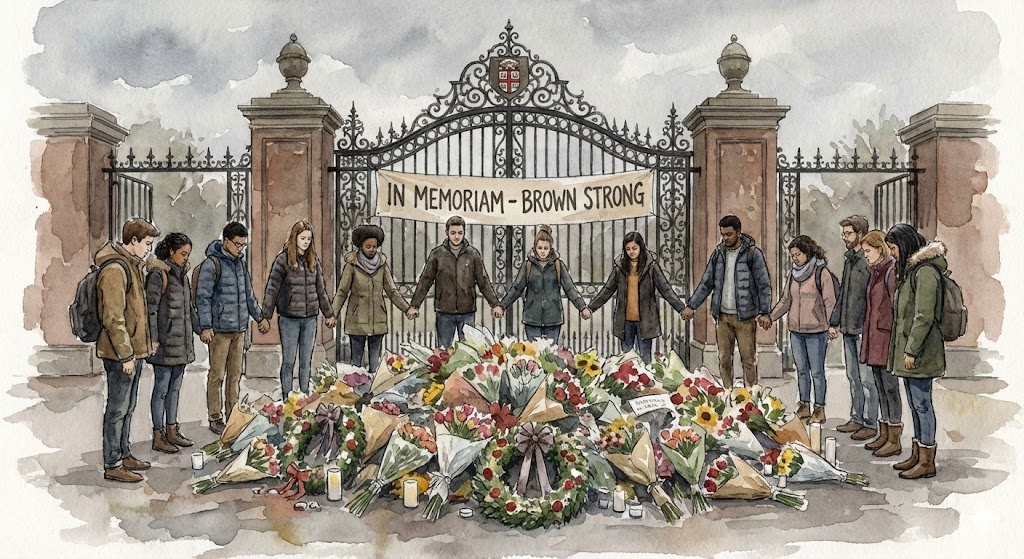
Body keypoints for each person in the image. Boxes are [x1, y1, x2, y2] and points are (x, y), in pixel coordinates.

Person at [95, 218, 160, 483]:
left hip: (132, 352)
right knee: (117, 408)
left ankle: (124, 453)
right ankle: (113, 463)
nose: (149, 249)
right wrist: (126, 355)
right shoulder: (115, 269)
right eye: (147, 243)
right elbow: (113, 318)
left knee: (128, 406)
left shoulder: (132, 266)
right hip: (119, 354)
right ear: (133, 241)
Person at [195, 221, 271, 435]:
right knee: (217, 375)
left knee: (235, 376)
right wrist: (206, 326)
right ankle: (215, 416)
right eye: (237, 244)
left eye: (243, 245)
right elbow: (203, 298)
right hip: (219, 331)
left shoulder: (240, 264)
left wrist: (260, 317)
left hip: (239, 329)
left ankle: (233, 414)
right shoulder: (211, 264)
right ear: (226, 241)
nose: (240, 248)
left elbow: (248, 295)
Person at [682, 215, 772, 387]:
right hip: (722, 317)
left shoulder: (753, 254)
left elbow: (764, 285)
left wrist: (765, 312)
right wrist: (692, 305)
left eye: (729, 234)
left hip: (745, 318)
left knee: (748, 360)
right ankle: (727, 393)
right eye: (723, 234)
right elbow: (706, 283)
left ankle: (752, 396)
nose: (725, 238)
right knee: (724, 359)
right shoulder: (718, 253)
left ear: (738, 232)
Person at [885, 223, 945, 479]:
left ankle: (927, 461)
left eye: (893, 248)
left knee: (922, 404)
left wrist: (911, 351)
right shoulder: (912, 271)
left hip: (922, 351)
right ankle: (918, 454)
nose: (892, 253)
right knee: (915, 403)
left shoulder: (925, 272)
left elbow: (923, 316)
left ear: (905, 244)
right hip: (913, 350)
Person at [766, 235, 838, 424]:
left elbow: (830, 301)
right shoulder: (792, 274)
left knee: (817, 372)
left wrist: (831, 325)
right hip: (796, 331)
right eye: (792, 255)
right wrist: (771, 317)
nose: (795, 258)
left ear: (807, 253)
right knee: (801, 370)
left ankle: (819, 409)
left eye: (798, 254)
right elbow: (785, 301)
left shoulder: (821, 273)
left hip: (816, 331)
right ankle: (804, 405)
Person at [586, 231, 687, 364]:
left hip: (645, 322)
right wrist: (590, 308)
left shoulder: (651, 267)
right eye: (628, 249)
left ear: (641, 247)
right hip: (625, 322)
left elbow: (665, 289)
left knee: (645, 360)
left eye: (634, 248)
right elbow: (607, 290)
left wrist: (681, 308)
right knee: (626, 361)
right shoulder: (620, 267)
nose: (631, 252)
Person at [262, 221, 337, 395]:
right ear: (294, 238)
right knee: (289, 361)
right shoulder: (283, 260)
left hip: (310, 318)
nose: (306, 242)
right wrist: (266, 315)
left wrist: (329, 314)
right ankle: (287, 397)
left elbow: (320, 290)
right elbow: (272, 289)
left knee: (306, 361)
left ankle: (304, 395)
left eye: (309, 239)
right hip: (289, 319)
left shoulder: (313, 261)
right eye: (303, 238)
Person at [408, 216, 503, 349]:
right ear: (446, 232)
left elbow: (483, 281)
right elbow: (425, 280)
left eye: (460, 233)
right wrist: (414, 305)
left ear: (464, 232)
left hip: (467, 312)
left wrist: (495, 304)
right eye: (453, 233)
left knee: (469, 351)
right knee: (443, 352)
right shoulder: (437, 254)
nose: (457, 237)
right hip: (444, 312)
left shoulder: (473, 254)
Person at [145, 232, 199, 455]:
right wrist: (153, 338)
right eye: (183, 254)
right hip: (164, 344)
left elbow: (189, 309)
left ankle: (172, 430)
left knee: (174, 389)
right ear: (171, 252)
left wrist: (201, 329)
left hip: (181, 344)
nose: (186, 258)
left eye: (188, 254)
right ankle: (158, 436)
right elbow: (151, 310)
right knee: (161, 389)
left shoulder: (182, 276)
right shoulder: (158, 275)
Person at [332, 223, 410, 375]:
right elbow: (342, 291)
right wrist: (333, 314)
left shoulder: (382, 265)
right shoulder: (351, 265)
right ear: (361, 246)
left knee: (375, 366)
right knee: (356, 365)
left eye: (375, 246)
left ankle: (374, 387)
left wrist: (407, 308)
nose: (372, 249)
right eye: (368, 246)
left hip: (377, 320)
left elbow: (392, 291)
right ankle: (355, 387)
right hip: (356, 319)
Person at [828, 215, 878, 441]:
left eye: (848, 234)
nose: (844, 238)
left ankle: (870, 422)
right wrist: (834, 321)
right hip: (849, 329)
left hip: (863, 330)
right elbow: (843, 295)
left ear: (860, 234)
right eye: (844, 234)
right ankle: (856, 418)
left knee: (867, 380)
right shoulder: (850, 260)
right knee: (853, 376)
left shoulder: (868, 261)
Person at [500, 225, 590, 341]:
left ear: (550, 248)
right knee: (533, 351)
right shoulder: (528, 265)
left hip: (553, 319)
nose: (542, 251)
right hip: (532, 319)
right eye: (540, 248)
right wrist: (502, 306)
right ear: (535, 247)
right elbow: (517, 288)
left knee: (550, 352)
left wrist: (582, 307)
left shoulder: (558, 265)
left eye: (546, 248)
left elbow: (570, 288)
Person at [858, 230, 902, 457]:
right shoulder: (876, 271)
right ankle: (884, 433)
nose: (865, 255)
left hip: (885, 338)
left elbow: (896, 306)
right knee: (880, 385)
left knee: (890, 387)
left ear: (880, 249)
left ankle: (894, 438)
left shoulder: (890, 271)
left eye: (868, 250)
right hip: (875, 337)